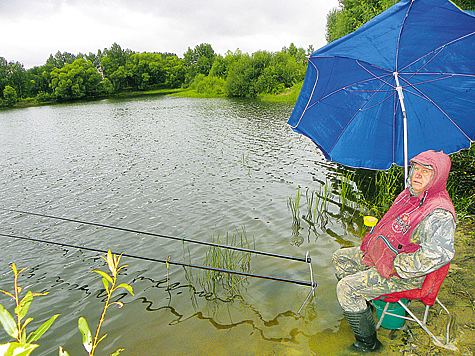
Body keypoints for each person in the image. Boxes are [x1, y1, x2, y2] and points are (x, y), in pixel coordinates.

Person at [332, 150, 456, 352]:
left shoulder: (438, 214)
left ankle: (368, 345)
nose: (418, 174)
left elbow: (435, 256)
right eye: (416, 168)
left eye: (427, 171)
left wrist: (396, 265)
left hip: (406, 273)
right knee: (340, 257)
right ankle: (361, 307)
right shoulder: (410, 195)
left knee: (346, 288)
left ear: (438, 177)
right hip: (382, 256)